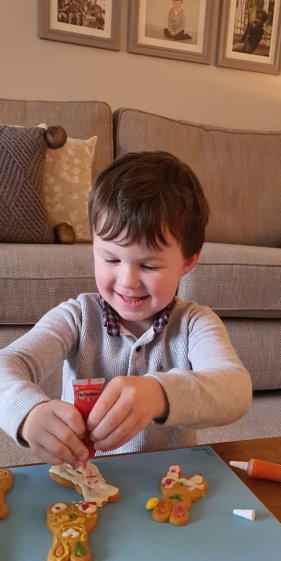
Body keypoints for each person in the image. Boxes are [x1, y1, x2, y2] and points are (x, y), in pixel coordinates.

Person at [0, 151, 252, 467]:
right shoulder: (77, 317)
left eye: (148, 264)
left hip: (167, 481)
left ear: (188, 261)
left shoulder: (194, 324)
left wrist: (158, 393)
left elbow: (236, 390)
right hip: (87, 481)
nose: (127, 281)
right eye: (111, 259)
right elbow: (7, 363)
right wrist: (28, 412)